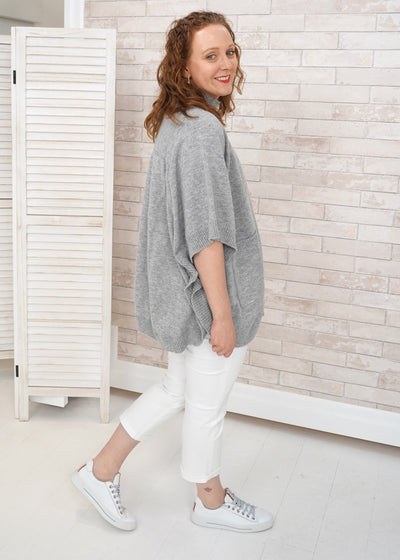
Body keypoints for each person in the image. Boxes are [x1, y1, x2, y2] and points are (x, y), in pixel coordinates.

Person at [72, 11, 273, 534]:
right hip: (206, 303)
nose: (226, 64)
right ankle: (210, 502)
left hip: (183, 299)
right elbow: (204, 235)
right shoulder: (201, 132)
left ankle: (100, 472)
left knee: (176, 390)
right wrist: (222, 316)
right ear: (184, 68)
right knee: (206, 407)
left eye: (230, 51)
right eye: (211, 55)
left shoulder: (179, 121)